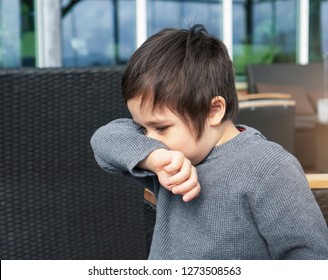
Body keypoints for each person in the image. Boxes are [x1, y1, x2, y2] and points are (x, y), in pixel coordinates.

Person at [91, 24, 328, 259]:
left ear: (213, 110)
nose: (150, 139)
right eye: (143, 128)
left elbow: (311, 259)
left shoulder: (269, 168)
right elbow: (104, 140)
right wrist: (153, 158)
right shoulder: (168, 164)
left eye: (161, 127)